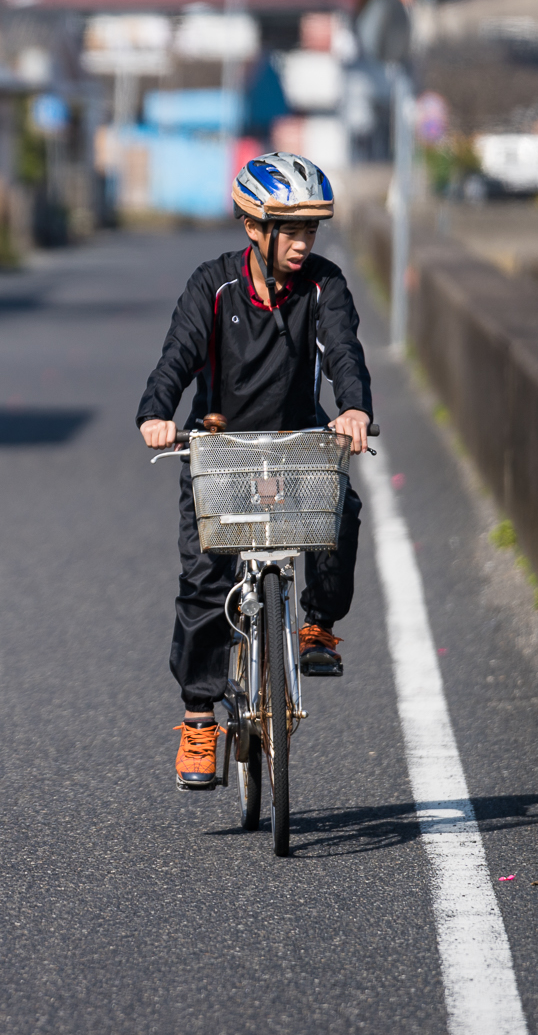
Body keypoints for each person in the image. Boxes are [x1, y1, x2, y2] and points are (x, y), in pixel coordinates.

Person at [135, 152, 373, 791]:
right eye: (290, 230)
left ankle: (317, 624)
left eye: (311, 230)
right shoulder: (212, 285)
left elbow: (344, 351)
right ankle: (198, 716)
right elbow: (176, 358)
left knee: (340, 512)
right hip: (219, 449)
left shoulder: (324, 286)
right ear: (253, 228)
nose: (303, 244)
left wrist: (353, 408)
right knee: (205, 580)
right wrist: (157, 413)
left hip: (296, 448)